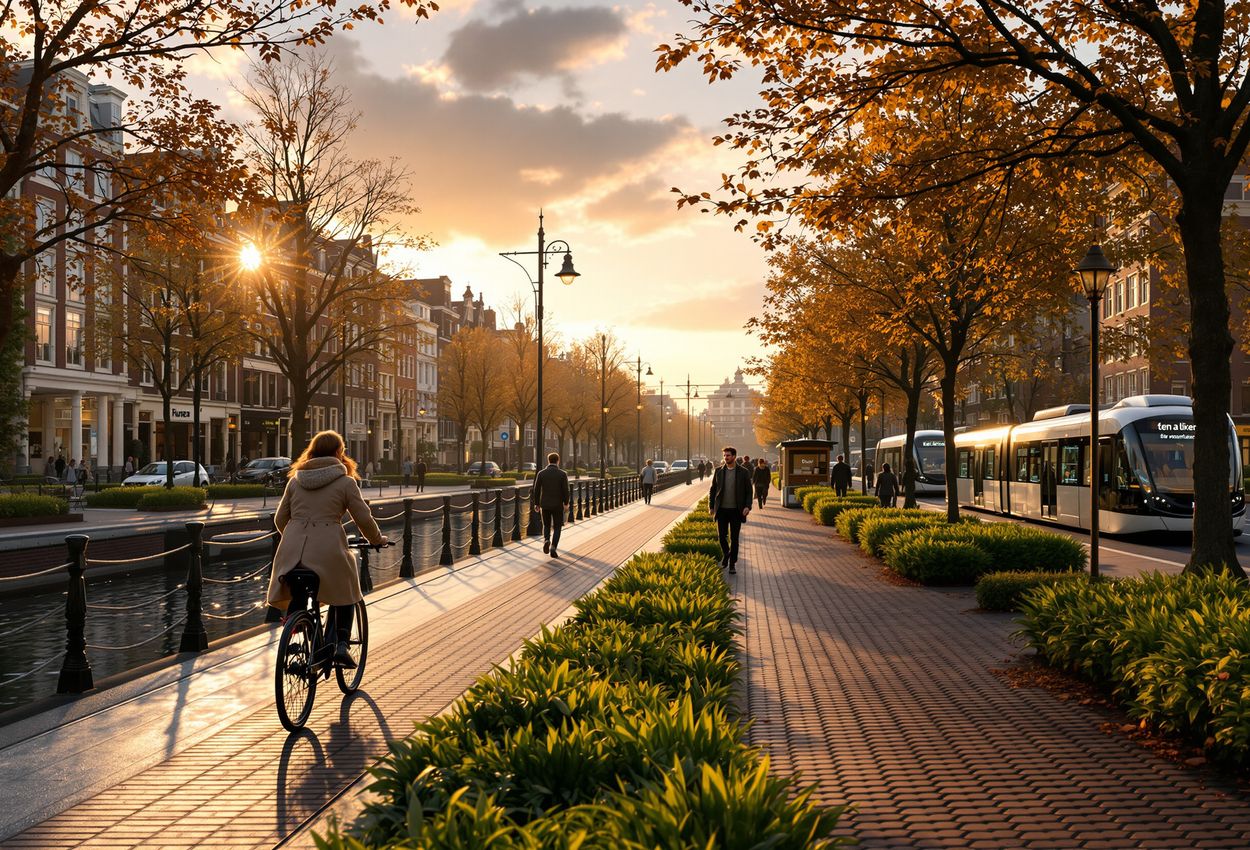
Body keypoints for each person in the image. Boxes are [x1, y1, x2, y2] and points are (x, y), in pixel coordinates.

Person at [266, 430, 386, 667]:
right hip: (328, 550)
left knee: (299, 588)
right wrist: (376, 539)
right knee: (348, 589)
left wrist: (295, 537)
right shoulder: (345, 482)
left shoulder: (295, 481)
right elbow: (363, 517)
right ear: (338, 452)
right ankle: (341, 644)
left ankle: (294, 628)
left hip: (292, 550)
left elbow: (280, 520)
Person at [709, 445, 752, 574]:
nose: (725, 457)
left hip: (736, 511)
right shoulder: (718, 471)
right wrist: (711, 506)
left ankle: (732, 563)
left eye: (728, 455)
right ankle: (727, 554)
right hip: (721, 510)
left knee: (734, 538)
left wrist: (747, 506)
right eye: (724, 455)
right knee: (721, 536)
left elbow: (749, 491)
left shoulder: (743, 472)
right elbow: (713, 490)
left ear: (734, 456)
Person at [532, 451, 570, 558]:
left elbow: (536, 489)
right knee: (557, 526)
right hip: (558, 505)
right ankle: (553, 547)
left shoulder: (541, 473)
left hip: (545, 505)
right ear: (558, 461)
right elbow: (565, 490)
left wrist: (536, 504)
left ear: (548, 461)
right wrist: (566, 503)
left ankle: (546, 540)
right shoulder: (562, 474)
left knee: (546, 525)